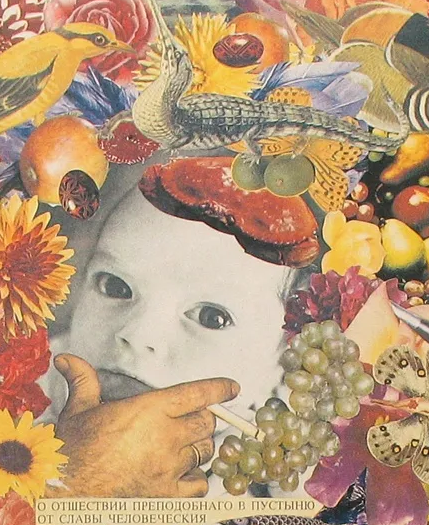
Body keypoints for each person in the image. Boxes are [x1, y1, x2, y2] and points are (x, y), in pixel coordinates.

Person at [45, 178, 301, 498]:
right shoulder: (17, 392)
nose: (137, 335)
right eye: (115, 286)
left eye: (211, 317)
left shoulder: (286, 478)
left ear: (279, 363)